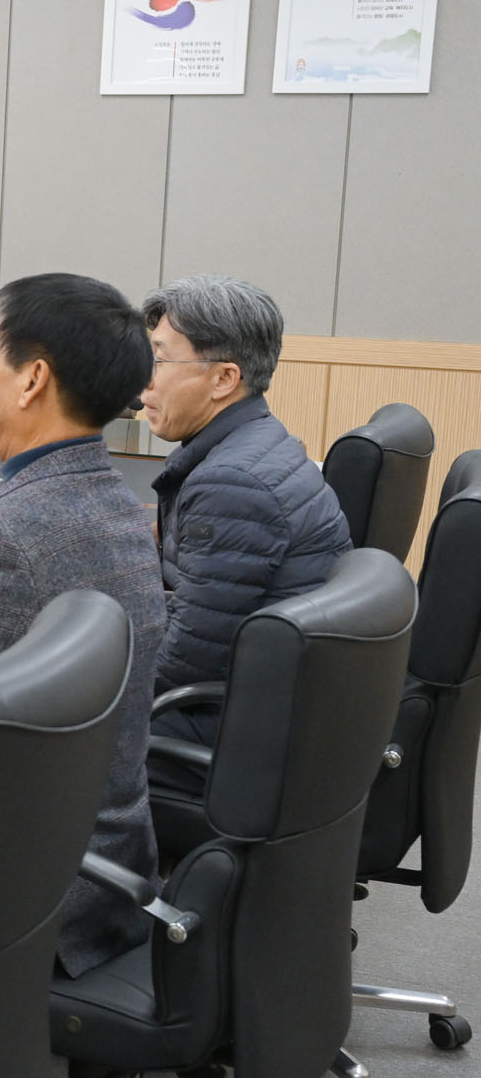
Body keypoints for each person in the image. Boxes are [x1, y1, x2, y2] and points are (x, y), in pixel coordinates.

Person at [0, 273, 164, 978]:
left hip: (28, 897)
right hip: (109, 867)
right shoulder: (119, 503)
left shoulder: (4, 535)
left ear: (32, 379)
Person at [139, 274, 350, 761]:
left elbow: (186, 660)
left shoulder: (233, 485)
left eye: (161, 360)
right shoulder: (256, 441)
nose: (145, 379)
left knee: (23, 732)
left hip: (232, 732)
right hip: (267, 704)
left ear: (223, 379)